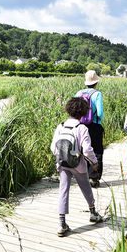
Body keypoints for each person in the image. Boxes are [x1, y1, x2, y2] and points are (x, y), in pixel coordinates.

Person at [51, 97, 103, 237]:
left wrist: (62, 157)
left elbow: (53, 147)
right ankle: (93, 213)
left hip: (63, 164)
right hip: (78, 164)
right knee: (86, 187)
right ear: (83, 112)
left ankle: (62, 224)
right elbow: (87, 150)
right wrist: (94, 163)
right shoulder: (82, 128)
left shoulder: (60, 126)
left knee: (63, 190)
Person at [76, 70, 105, 188]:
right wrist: (98, 121)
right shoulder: (97, 94)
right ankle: (94, 177)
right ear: (96, 82)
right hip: (94, 125)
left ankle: (82, 175)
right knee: (97, 150)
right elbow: (100, 113)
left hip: (81, 125)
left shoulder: (78, 93)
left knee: (82, 150)